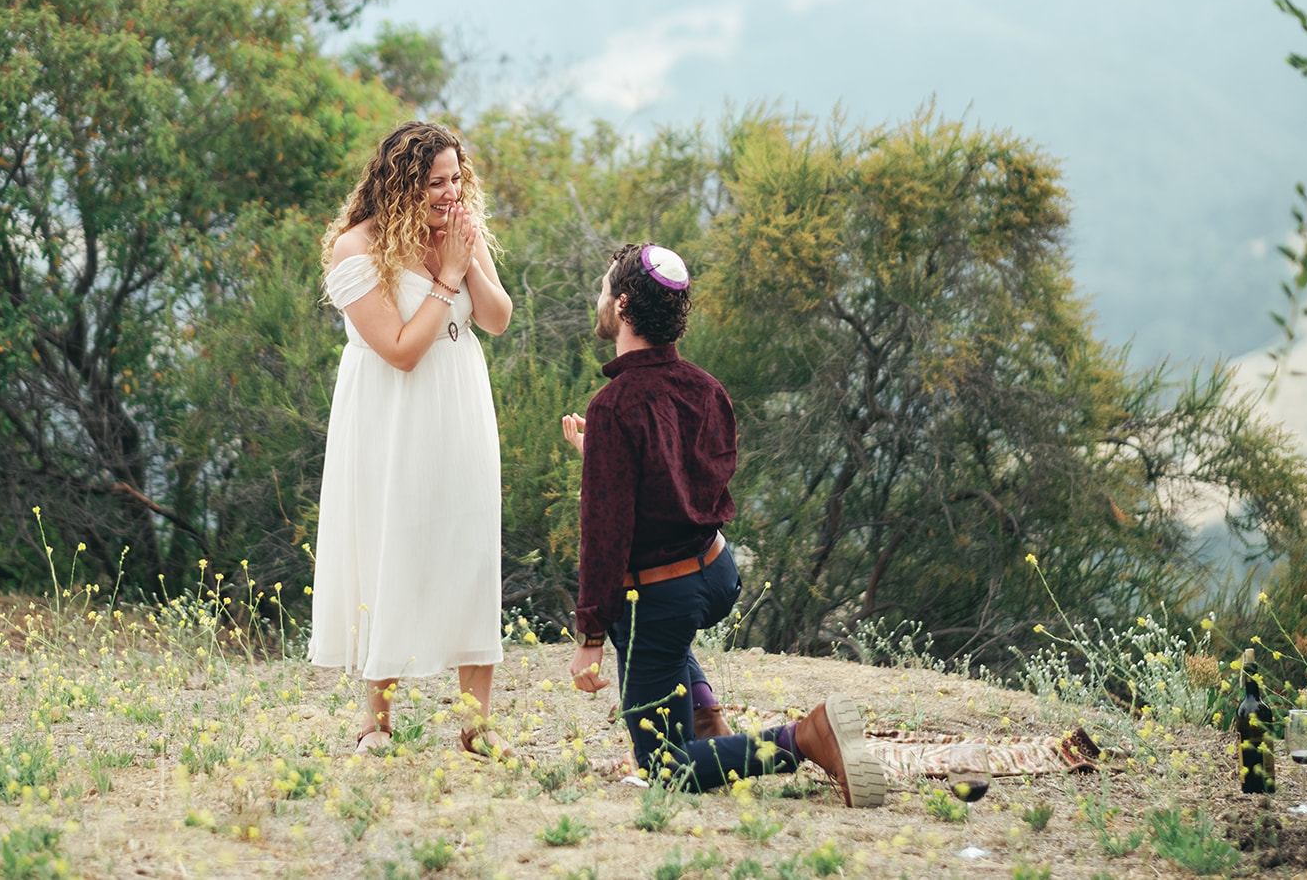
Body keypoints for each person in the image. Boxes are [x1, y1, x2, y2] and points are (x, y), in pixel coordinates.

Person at [560, 242, 885, 805]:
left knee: (667, 768)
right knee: (644, 620)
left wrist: (589, 636)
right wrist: (606, 455)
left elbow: (605, 536)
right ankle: (706, 710)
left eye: (605, 286)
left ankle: (805, 739)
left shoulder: (615, 406)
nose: (599, 296)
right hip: (715, 574)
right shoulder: (706, 388)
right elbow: (684, 484)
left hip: (664, 596)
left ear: (625, 302)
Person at [308, 121, 514, 757]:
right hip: (392, 410)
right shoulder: (357, 250)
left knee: (472, 544)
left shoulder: (459, 227)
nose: (450, 193)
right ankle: (377, 721)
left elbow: (497, 320)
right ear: (401, 185)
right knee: (393, 541)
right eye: (435, 183)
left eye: (456, 179)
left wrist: (467, 257)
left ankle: (476, 727)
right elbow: (398, 350)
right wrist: (446, 277)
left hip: (460, 394)